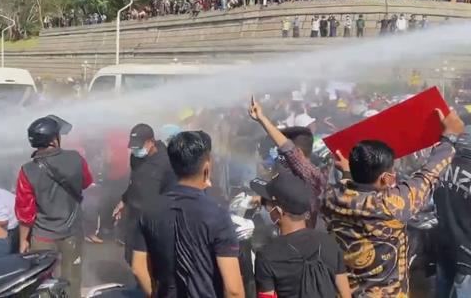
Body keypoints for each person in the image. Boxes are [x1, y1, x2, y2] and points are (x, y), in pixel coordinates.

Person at [323, 109, 464, 296]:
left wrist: (348, 173)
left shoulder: (330, 197)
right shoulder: (391, 205)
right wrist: (449, 138)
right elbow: (429, 175)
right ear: (385, 177)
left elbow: (350, 189)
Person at [131, 131, 244, 298]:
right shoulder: (217, 215)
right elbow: (233, 290)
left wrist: (155, 294)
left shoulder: (148, 212)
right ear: (207, 166)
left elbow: (138, 268)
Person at [14, 115, 93, 298]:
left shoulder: (27, 170)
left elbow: (25, 211)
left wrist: (23, 241)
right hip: (72, 233)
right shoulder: (75, 158)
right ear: (54, 139)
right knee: (72, 281)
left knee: (42, 285)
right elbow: (87, 182)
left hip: (42, 237)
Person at [252, 171, 351, 298]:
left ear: (278, 211)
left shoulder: (267, 256)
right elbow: (345, 294)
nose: (266, 208)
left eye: (267, 205)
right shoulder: (329, 242)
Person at [249, 98, 326, 227]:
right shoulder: (293, 173)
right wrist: (262, 200)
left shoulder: (312, 176)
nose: (282, 154)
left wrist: (262, 118)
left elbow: (288, 148)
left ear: (299, 153)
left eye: (284, 153)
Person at [113, 123, 177, 264]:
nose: (136, 151)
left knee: (153, 261)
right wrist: (124, 200)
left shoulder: (167, 161)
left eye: (139, 147)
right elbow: (134, 182)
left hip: (155, 220)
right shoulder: (135, 158)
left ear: (151, 142)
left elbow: (172, 191)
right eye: (133, 147)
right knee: (131, 258)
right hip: (135, 217)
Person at [434, 130, 471, 297]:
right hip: (467, 256)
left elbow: (430, 202)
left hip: (444, 245)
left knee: (442, 290)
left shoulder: (440, 168)